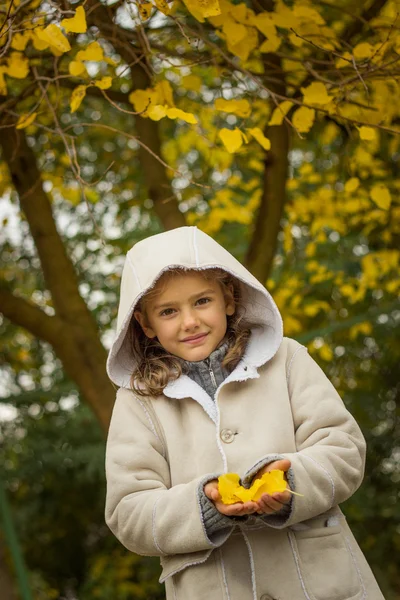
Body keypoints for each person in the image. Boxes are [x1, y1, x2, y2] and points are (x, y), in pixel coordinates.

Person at [105, 226, 385, 600]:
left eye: (202, 301)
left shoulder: (287, 359)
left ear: (229, 299)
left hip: (323, 583)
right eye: (168, 311)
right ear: (145, 324)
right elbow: (129, 512)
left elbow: (344, 450)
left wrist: (292, 482)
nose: (189, 321)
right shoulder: (138, 401)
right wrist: (204, 505)